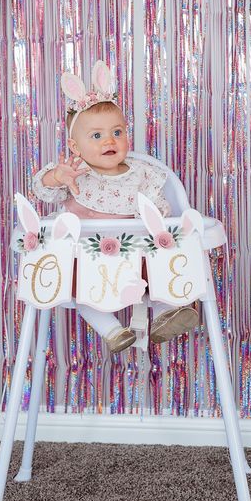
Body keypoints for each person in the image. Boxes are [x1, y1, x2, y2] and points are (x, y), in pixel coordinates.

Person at [32, 61, 198, 353]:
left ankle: (164, 313)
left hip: (134, 255)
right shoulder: (75, 172)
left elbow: (158, 207)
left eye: (117, 132)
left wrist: (163, 226)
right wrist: (57, 177)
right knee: (79, 287)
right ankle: (111, 330)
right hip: (87, 258)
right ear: (75, 146)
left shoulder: (142, 172)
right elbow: (42, 189)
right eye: (96, 136)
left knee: (159, 268)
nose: (110, 140)